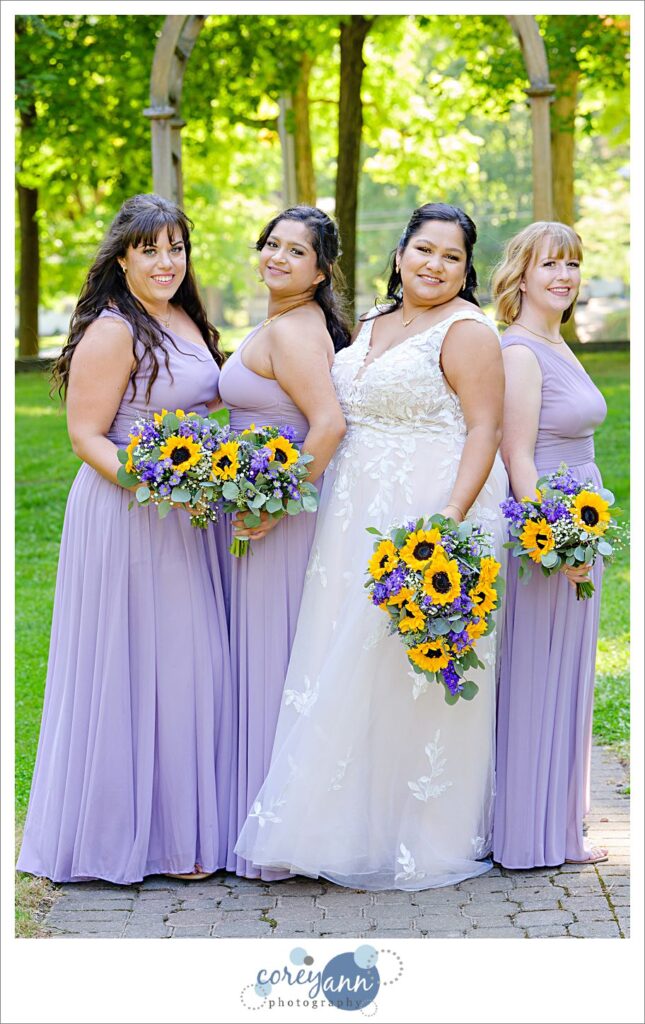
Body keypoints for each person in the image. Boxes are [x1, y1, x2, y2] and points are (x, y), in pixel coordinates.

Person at [235, 202, 508, 890]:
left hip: (426, 514)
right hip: (352, 512)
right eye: (423, 249)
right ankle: (333, 825)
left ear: (466, 268)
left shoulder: (469, 331)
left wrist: (445, 522)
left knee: (400, 673)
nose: (434, 265)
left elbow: (484, 430)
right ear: (398, 254)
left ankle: (409, 835)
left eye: (451, 257)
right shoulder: (367, 325)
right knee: (341, 660)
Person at [16, 194, 234, 884]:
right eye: (151, 250)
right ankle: (143, 843)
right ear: (122, 257)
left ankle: (189, 830)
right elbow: (85, 437)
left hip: (190, 515)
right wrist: (158, 487)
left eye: (176, 248)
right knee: (143, 664)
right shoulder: (114, 330)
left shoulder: (187, 320)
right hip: (129, 512)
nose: (167, 262)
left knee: (190, 664)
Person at [217, 205, 350, 879]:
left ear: (320, 270)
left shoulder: (296, 330)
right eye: (271, 243)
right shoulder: (288, 322)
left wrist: (277, 502)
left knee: (275, 665)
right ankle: (270, 822)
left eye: (295, 251)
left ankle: (281, 838)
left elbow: (326, 424)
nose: (276, 257)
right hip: (274, 512)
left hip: (283, 520)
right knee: (274, 663)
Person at [491, 221, 609, 868]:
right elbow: (518, 460)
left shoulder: (555, 341)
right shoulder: (519, 352)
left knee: (567, 676)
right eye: (548, 266)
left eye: (570, 264)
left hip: (577, 529)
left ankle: (560, 828)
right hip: (545, 539)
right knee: (538, 676)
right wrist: (559, 546)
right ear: (522, 274)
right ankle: (526, 836)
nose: (562, 276)